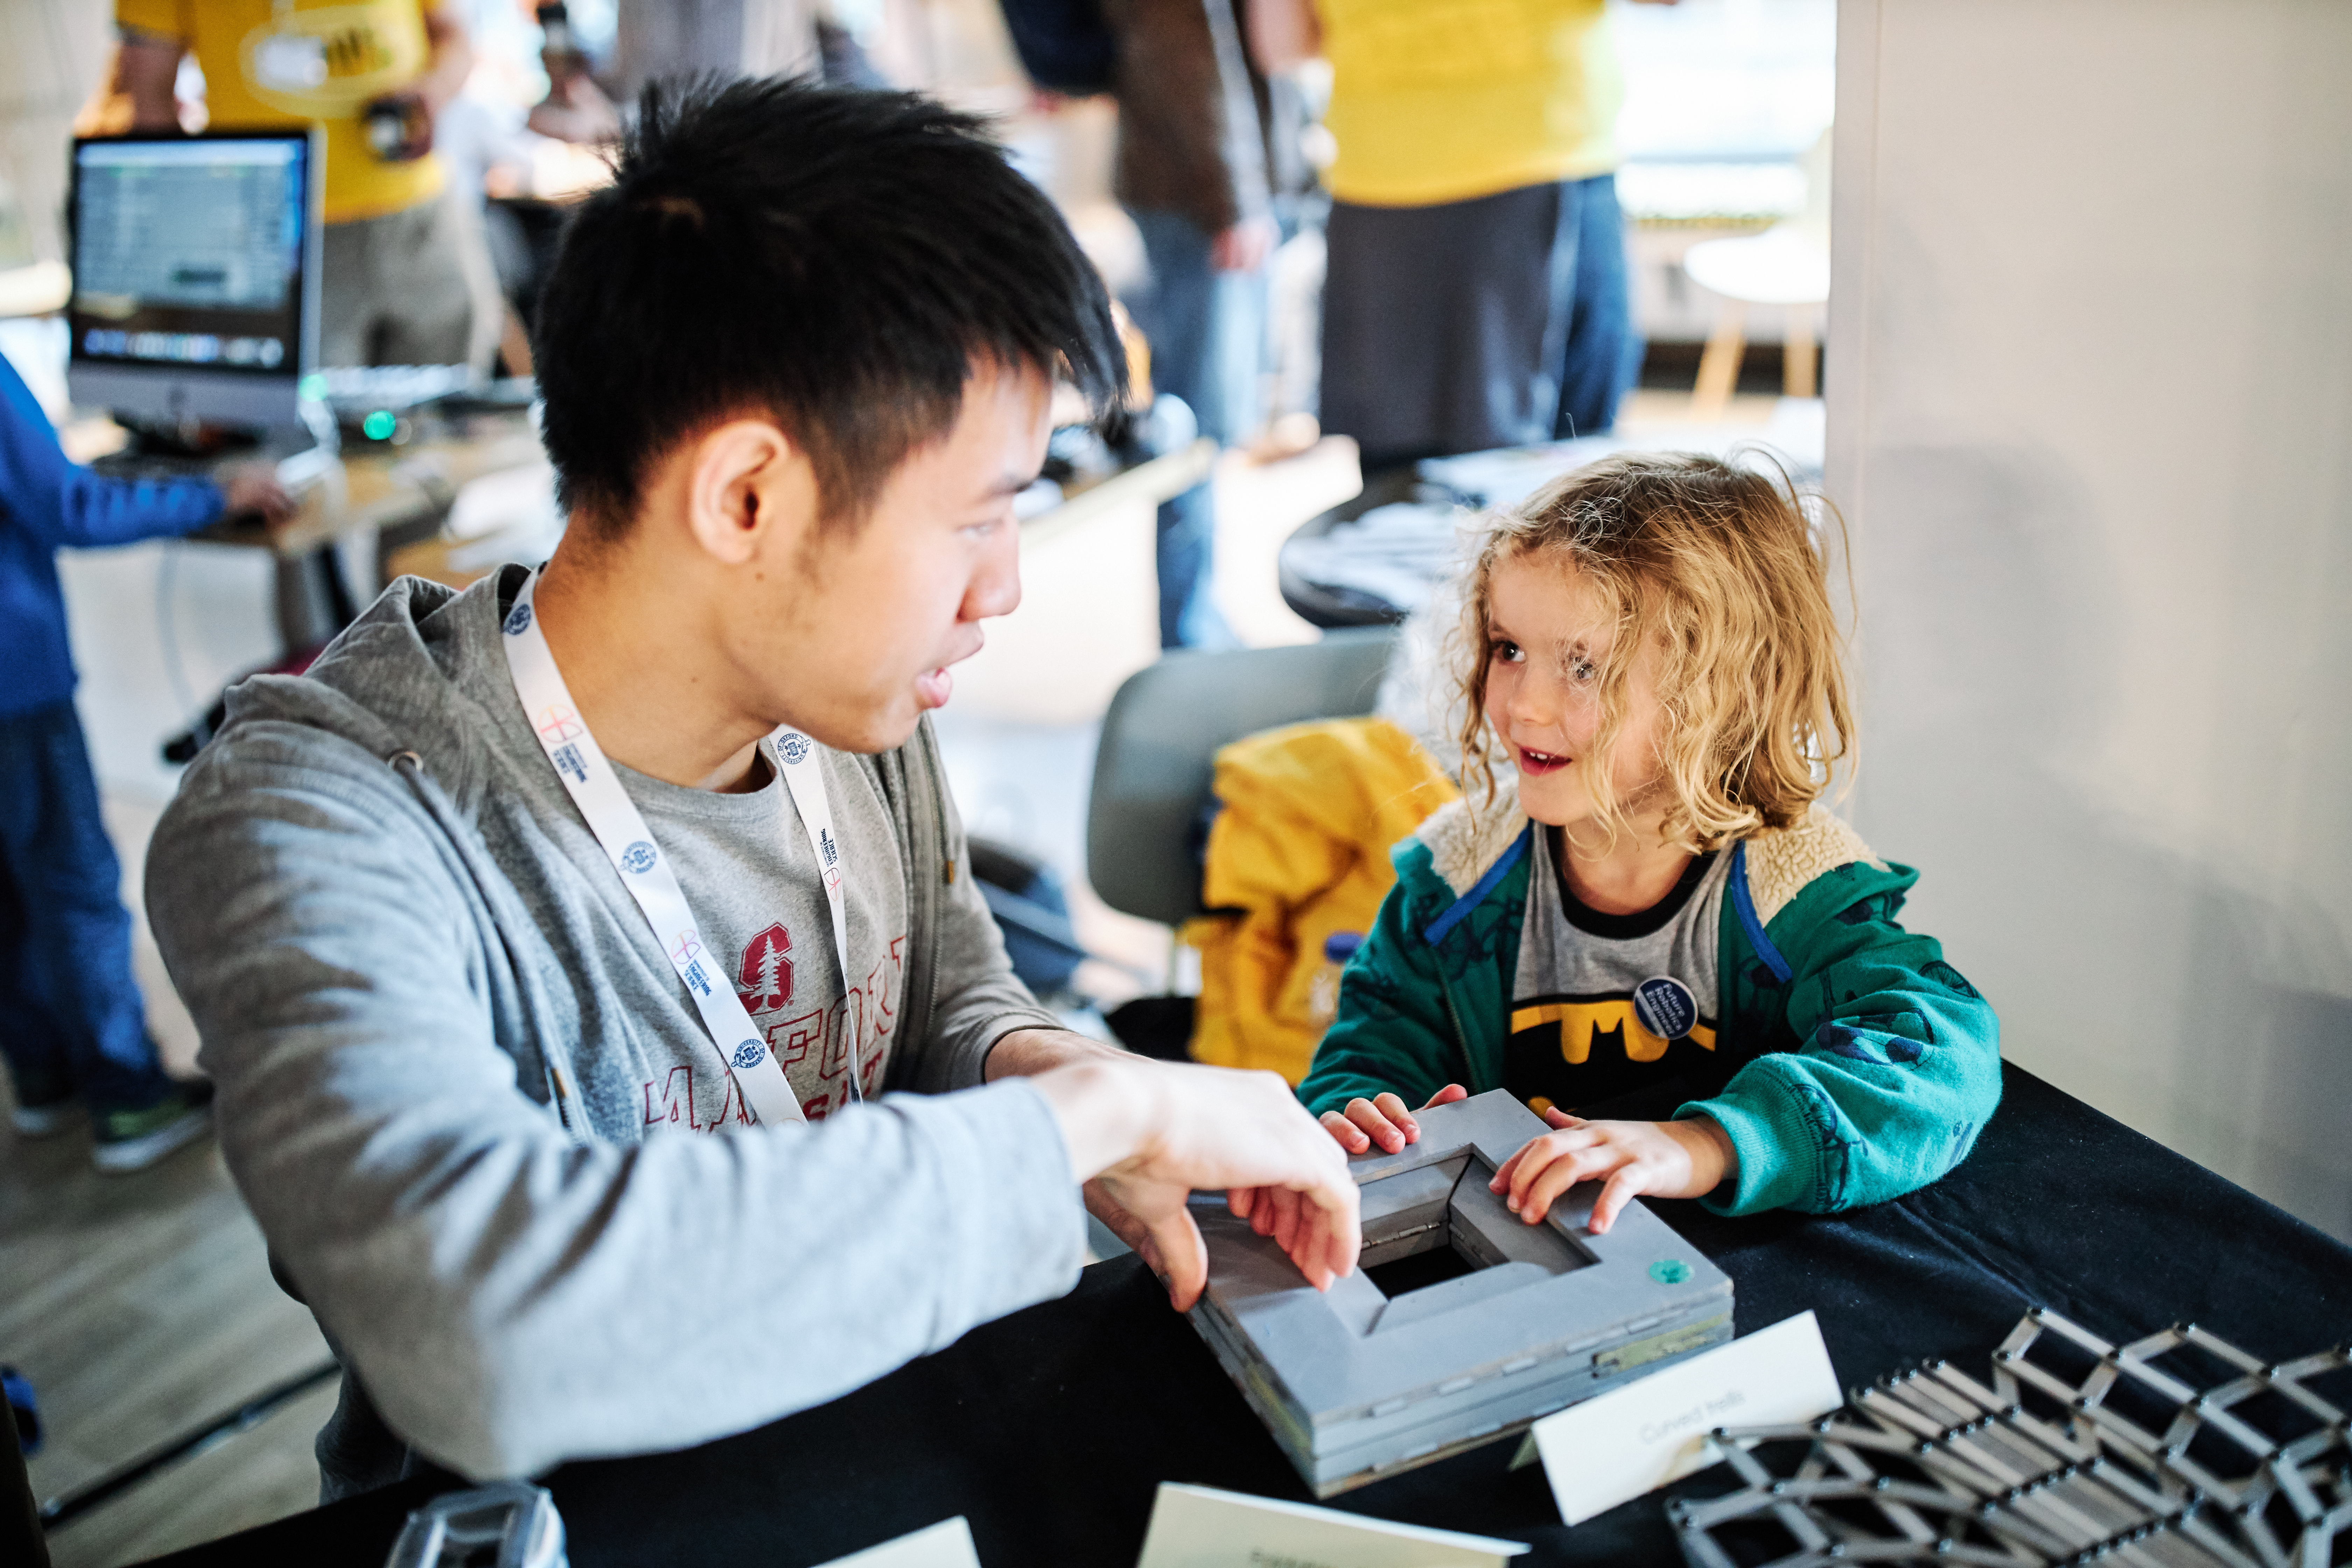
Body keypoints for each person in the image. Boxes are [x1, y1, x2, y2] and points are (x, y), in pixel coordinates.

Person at [143, 78, 1359, 1497]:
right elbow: (480, 1336)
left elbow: (947, 989)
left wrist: (1052, 1068)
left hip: (906, 1440)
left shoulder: (837, 687)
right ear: (746, 499)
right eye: (978, 517)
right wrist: (1080, 1128)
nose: (1006, 587)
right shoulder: (313, 817)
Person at [1244, 453, 2001, 1238]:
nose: (1525, 705)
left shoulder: (1798, 891)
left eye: (1584, 667)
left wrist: (1704, 1144)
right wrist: (1356, 1116)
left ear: (1719, 694)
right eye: (1509, 649)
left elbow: (1941, 1058)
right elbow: (1368, 1053)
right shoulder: (1451, 883)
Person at [0, 352, 291, 1172]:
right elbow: (70, 506)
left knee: (8, 894)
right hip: (13, 682)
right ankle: (127, 1096)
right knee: (71, 883)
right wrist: (215, 494)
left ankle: (43, 1075)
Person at [1247, 0, 1658, 470]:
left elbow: (1282, 43)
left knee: (1404, 473)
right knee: (1573, 471)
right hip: (1539, 143)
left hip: (1382, 175)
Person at [115, 0, 504, 373]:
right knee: (305, 408)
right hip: (276, 238)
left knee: (452, 396)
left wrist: (432, 92)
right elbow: (150, 98)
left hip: (422, 214)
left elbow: (454, 36)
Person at [1099, 0, 1276, 648]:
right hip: (1199, 200)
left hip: (1188, 189)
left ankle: (1196, 618)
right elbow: (1189, 52)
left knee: (1200, 421)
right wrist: (1234, 199)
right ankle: (1189, 632)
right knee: (1195, 427)